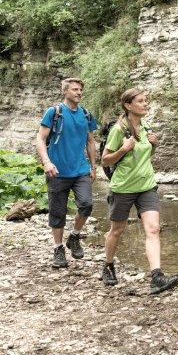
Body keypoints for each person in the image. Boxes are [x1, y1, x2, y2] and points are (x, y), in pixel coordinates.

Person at [100, 88, 178, 295]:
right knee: (117, 230)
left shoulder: (146, 126)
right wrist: (124, 149)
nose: (145, 104)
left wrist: (155, 145)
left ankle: (157, 277)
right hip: (123, 188)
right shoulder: (118, 130)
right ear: (128, 105)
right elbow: (105, 160)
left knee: (153, 229)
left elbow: (146, 155)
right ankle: (108, 265)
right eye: (141, 101)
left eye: (146, 101)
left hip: (146, 186)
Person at [36, 77, 98, 268]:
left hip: (80, 170)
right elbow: (40, 138)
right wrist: (46, 162)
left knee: (86, 204)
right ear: (64, 91)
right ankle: (58, 249)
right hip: (57, 171)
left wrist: (94, 166)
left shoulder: (86, 115)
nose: (78, 92)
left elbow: (90, 141)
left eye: (80, 89)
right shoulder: (54, 113)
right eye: (74, 89)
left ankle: (75, 236)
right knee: (57, 212)